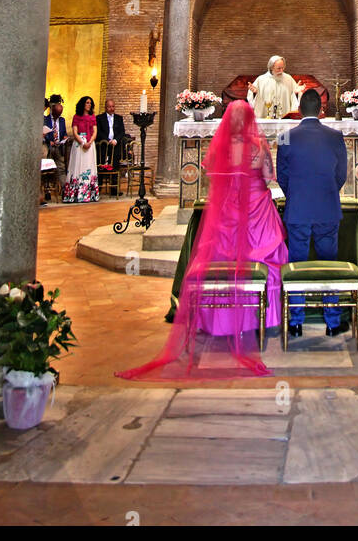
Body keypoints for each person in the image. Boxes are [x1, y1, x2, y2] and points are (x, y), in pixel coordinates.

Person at [116, 101, 288, 378]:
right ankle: (261, 318)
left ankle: (218, 322)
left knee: (220, 258)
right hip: (257, 213)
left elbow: (210, 176)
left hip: (225, 214)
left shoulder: (220, 145)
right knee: (264, 259)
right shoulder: (258, 145)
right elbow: (269, 177)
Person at [277, 87, 349, 337]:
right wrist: (327, 192)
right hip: (327, 207)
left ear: (298, 110)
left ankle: (295, 321)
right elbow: (341, 175)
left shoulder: (286, 136)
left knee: (296, 264)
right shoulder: (335, 136)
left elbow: (282, 176)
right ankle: (332, 321)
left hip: (297, 209)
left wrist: (296, 195)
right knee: (329, 263)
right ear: (321, 109)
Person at [64, 96, 99, 203]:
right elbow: (75, 132)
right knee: (77, 166)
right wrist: (82, 142)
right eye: (87, 103)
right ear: (82, 104)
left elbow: (95, 131)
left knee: (88, 166)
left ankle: (89, 194)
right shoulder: (76, 117)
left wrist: (89, 142)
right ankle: (75, 194)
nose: (89, 105)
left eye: (90, 103)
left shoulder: (93, 117)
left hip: (90, 144)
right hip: (79, 144)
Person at [42, 94, 69, 192]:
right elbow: (45, 131)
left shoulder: (62, 120)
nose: (58, 116)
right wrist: (50, 140)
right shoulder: (46, 119)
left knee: (61, 168)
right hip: (49, 147)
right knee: (47, 170)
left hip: (59, 147)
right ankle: (46, 190)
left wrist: (64, 137)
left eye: (60, 114)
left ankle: (64, 189)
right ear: (52, 111)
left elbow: (64, 132)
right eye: (56, 113)